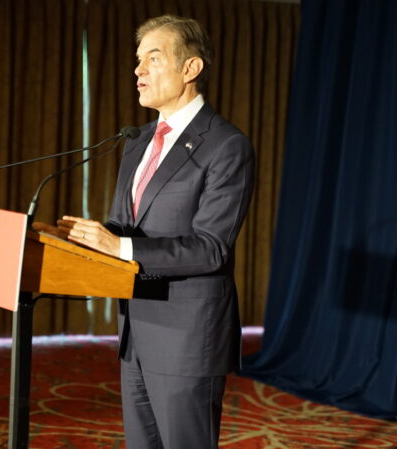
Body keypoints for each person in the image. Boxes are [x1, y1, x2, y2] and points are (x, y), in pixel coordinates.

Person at [36, 14, 254, 448]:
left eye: (152, 59)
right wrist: (79, 240)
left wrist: (119, 244)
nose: (137, 71)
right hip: (135, 333)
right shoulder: (137, 141)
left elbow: (211, 248)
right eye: (137, 60)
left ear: (190, 68)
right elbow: (126, 228)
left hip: (187, 338)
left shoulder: (227, 146)